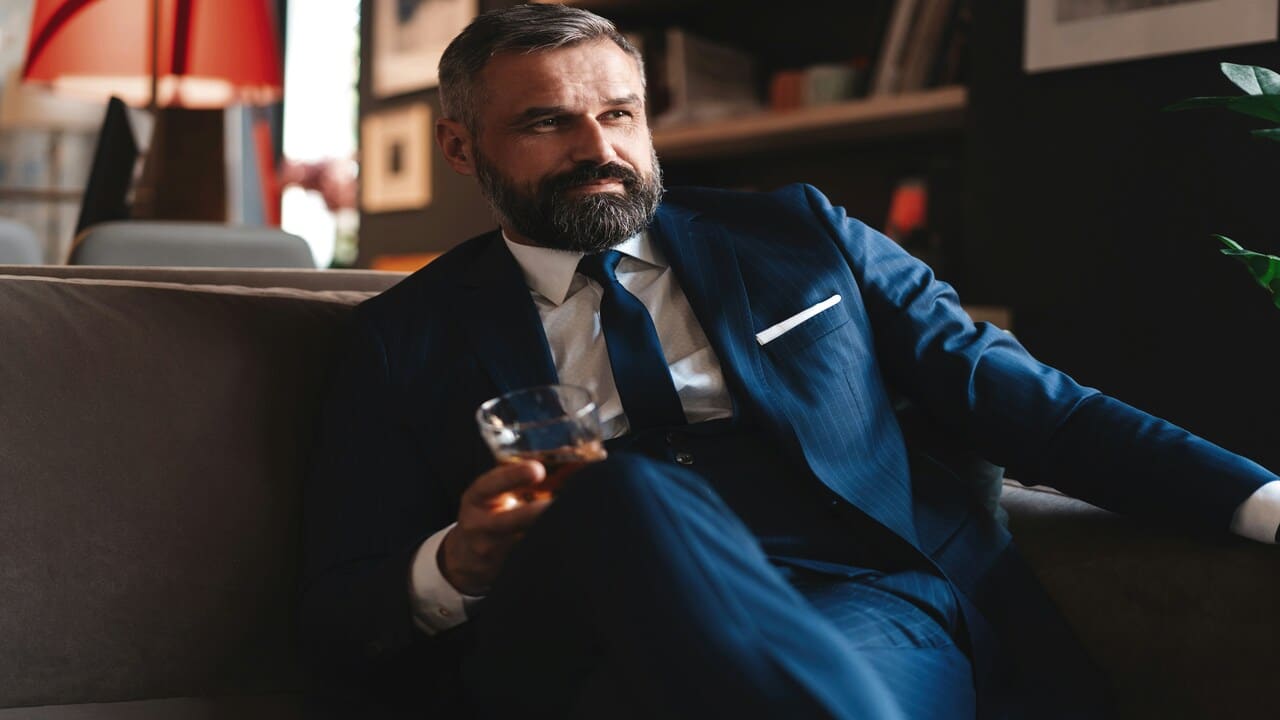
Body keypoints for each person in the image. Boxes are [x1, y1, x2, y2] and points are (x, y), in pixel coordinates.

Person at [301, 5, 1279, 718]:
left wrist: (1262, 502)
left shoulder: (800, 238)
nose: (598, 147)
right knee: (617, 491)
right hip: (582, 628)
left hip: (855, 603)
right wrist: (455, 564)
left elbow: (1031, 404)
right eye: (547, 122)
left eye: (620, 114)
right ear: (462, 149)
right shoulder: (401, 338)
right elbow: (343, 600)